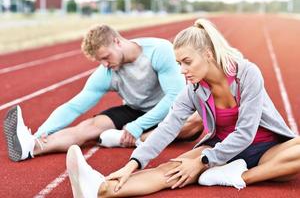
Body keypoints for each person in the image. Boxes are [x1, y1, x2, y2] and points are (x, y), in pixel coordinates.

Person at [65, 18, 300, 198]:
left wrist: (204, 161)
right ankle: (99, 188)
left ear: (208, 55)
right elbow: (168, 128)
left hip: (268, 150)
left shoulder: (246, 73)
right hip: (218, 149)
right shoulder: (193, 90)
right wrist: (131, 164)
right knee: (172, 171)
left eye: (187, 62)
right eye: (179, 63)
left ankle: (238, 176)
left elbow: (246, 133)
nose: (182, 70)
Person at [3, 24, 203, 162]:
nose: (105, 64)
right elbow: (75, 105)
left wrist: (138, 127)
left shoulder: (159, 50)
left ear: (117, 42)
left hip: (170, 111)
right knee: (89, 126)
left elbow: (174, 98)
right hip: (135, 109)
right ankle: (31, 147)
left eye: (106, 57)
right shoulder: (107, 72)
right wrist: (44, 130)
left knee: (196, 120)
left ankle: (125, 139)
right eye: (100, 61)